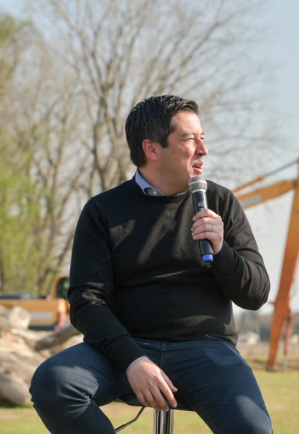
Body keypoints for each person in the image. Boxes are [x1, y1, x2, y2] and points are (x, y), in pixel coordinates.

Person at [30, 95, 273, 433]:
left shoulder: (221, 203)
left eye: (203, 138)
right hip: (124, 348)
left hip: (205, 349)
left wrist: (221, 250)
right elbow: (87, 303)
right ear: (152, 149)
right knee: (53, 383)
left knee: (254, 429)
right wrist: (132, 360)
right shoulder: (102, 211)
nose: (203, 149)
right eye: (190, 139)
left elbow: (256, 295)